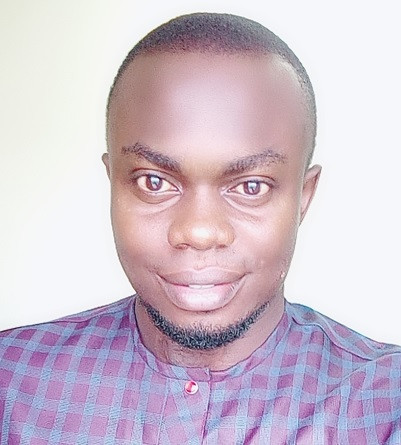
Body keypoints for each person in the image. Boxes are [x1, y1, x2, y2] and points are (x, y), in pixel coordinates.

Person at [0, 12, 400, 444]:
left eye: (250, 186)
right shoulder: (11, 382)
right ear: (113, 182)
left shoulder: (385, 405)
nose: (199, 231)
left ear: (303, 196)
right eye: (154, 182)